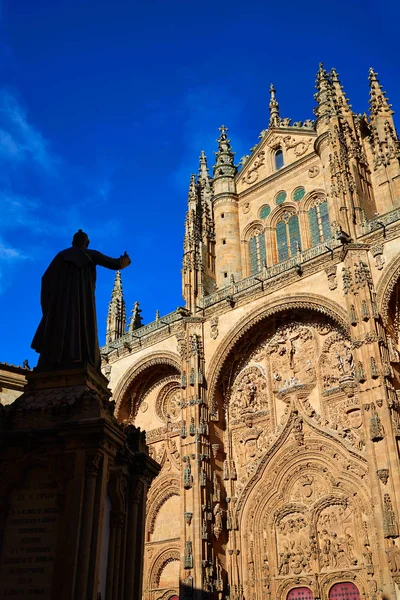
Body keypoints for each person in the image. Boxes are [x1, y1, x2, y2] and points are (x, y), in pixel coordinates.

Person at [31, 229, 131, 372]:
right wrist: (125, 260)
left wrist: (48, 308)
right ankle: (79, 359)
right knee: (82, 327)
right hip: (83, 302)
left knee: (62, 328)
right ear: (87, 243)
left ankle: (57, 359)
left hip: (61, 303)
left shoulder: (62, 255)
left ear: (73, 242)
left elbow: (45, 280)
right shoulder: (90, 254)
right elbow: (115, 263)